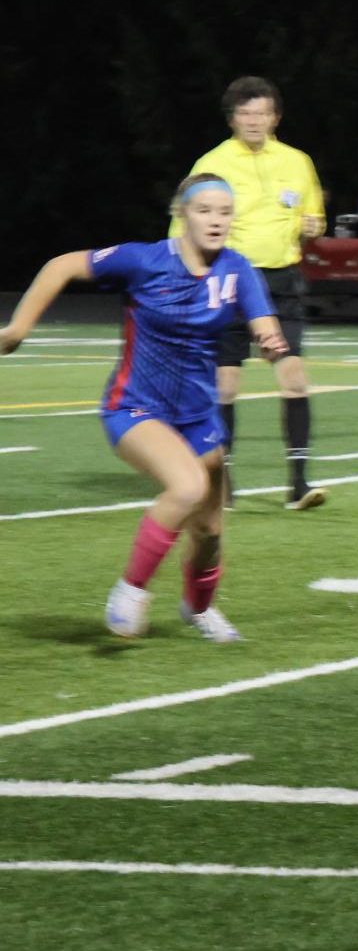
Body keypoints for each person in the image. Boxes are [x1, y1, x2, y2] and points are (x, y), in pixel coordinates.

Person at [0, 174, 288, 641]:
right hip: (134, 407)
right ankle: (129, 589)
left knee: (210, 531)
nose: (216, 220)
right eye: (205, 211)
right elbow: (61, 266)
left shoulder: (238, 270)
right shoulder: (145, 259)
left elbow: (263, 321)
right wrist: (16, 331)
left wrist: (272, 342)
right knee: (188, 485)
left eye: (224, 212)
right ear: (182, 213)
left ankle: (198, 609)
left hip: (198, 417)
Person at [175, 75, 327, 511]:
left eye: (262, 113)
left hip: (282, 283)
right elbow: (182, 226)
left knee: (294, 379)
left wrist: (314, 224)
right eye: (245, 114)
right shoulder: (212, 164)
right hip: (229, 281)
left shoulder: (298, 161)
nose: (254, 121)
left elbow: (311, 214)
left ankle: (298, 483)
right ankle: (221, 480)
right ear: (232, 120)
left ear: (275, 117)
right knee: (225, 385)